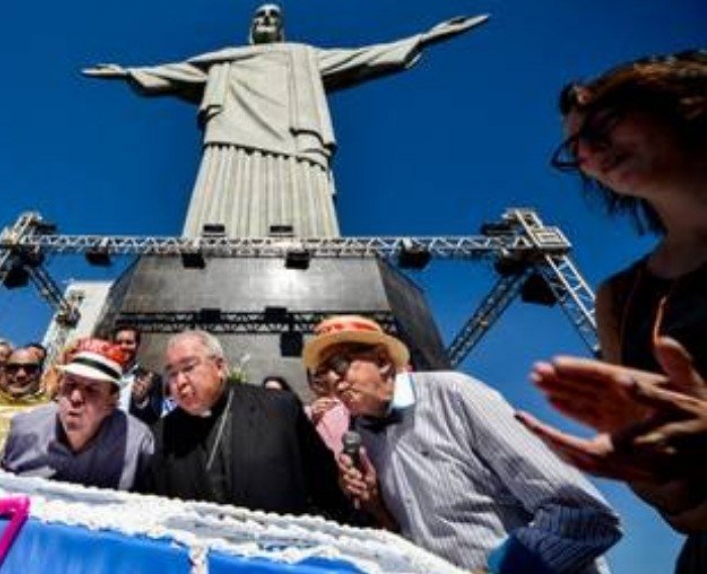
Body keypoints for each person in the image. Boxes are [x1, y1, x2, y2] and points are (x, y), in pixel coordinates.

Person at [518, 50, 707, 572]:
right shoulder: (622, 299)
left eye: (603, 122)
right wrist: (654, 468)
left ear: (683, 97)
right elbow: (687, 517)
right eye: (574, 148)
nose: (592, 150)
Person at [85, 5, 486, 238]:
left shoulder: (303, 55)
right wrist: (126, 73)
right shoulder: (223, 59)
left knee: (300, 212)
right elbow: (175, 74)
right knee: (221, 205)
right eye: (260, 13)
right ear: (251, 26)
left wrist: (424, 38)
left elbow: (362, 58)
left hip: (295, 140)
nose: (266, 17)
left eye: (274, 14)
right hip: (229, 140)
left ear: (281, 27)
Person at [311, 315, 621, 573]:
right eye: (321, 375)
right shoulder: (361, 436)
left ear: (382, 361)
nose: (333, 382)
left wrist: (497, 570)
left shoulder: (455, 395)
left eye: (339, 365)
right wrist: (376, 506)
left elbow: (582, 513)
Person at [140, 330, 350, 520]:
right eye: (172, 373)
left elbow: (326, 489)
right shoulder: (160, 436)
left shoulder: (279, 410)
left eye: (188, 367)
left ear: (220, 367)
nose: (180, 382)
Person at [0, 338, 154, 491]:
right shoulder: (24, 428)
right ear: (59, 388)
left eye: (92, 390)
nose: (75, 398)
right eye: (70, 385)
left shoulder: (138, 443)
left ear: (112, 401)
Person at [113, 324, 165, 423]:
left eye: (129, 342)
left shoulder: (153, 379)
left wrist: (141, 401)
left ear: (137, 345)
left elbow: (153, 418)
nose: (123, 346)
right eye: (118, 342)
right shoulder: (102, 373)